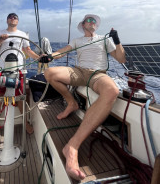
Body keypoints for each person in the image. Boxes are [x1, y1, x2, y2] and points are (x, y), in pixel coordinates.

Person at [43, 14, 126, 181]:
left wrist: (117, 41)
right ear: (83, 24)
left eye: (94, 20)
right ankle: (72, 103)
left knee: (112, 91)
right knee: (49, 72)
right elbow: (61, 52)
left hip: (97, 74)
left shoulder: (104, 39)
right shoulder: (76, 41)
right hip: (79, 71)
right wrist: (50, 56)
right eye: (89, 20)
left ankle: (72, 146)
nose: (92, 22)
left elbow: (121, 58)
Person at [0, 13, 40, 141]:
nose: (13, 18)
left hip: (18, 70)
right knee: (0, 98)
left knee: (20, 97)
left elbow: (28, 51)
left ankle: (25, 123)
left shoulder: (23, 35)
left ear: (18, 21)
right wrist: (1, 40)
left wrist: (39, 58)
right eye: (10, 17)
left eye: (15, 17)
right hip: (3, 70)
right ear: (7, 20)